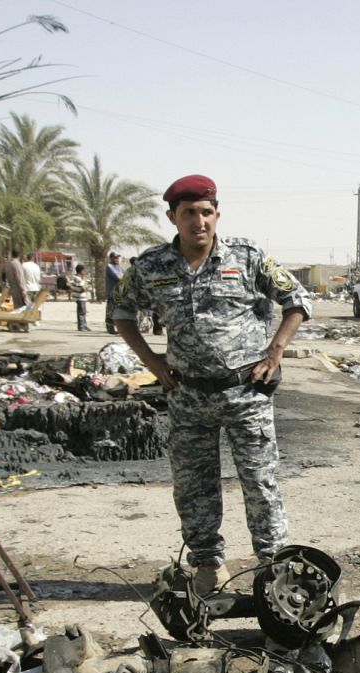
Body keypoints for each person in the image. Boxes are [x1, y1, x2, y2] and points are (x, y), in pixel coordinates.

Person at [110, 174, 312, 596]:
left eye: (206, 212)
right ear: (173, 217)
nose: (198, 221)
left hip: (246, 393)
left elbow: (296, 301)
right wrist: (151, 362)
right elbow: (121, 310)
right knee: (193, 487)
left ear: (216, 215)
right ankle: (206, 565)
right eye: (188, 213)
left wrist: (275, 352)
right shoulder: (151, 265)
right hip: (187, 395)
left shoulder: (248, 256)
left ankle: (272, 567)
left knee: (260, 482)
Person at [104, 252, 124, 333]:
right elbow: (118, 277)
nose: (117, 259)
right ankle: (110, 328)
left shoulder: (119, 267)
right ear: (111, 258)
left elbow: (126, 276)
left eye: (117, 257)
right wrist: (121, 276)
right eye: (115, 257)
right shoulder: (109, 266)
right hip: (112, 292)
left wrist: (122, 276)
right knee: (110, 311)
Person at [70, 264, 91, 331]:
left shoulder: (81, 278)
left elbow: (86, 286)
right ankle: (81, 326)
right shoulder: (77, 278)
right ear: (81, 271)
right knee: (81, 312)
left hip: (82, 297)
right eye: (84, 270)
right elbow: (83, 288)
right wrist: (86, 287)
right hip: (79, 297)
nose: (85, 272)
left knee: (83, 311)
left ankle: (84, 325)